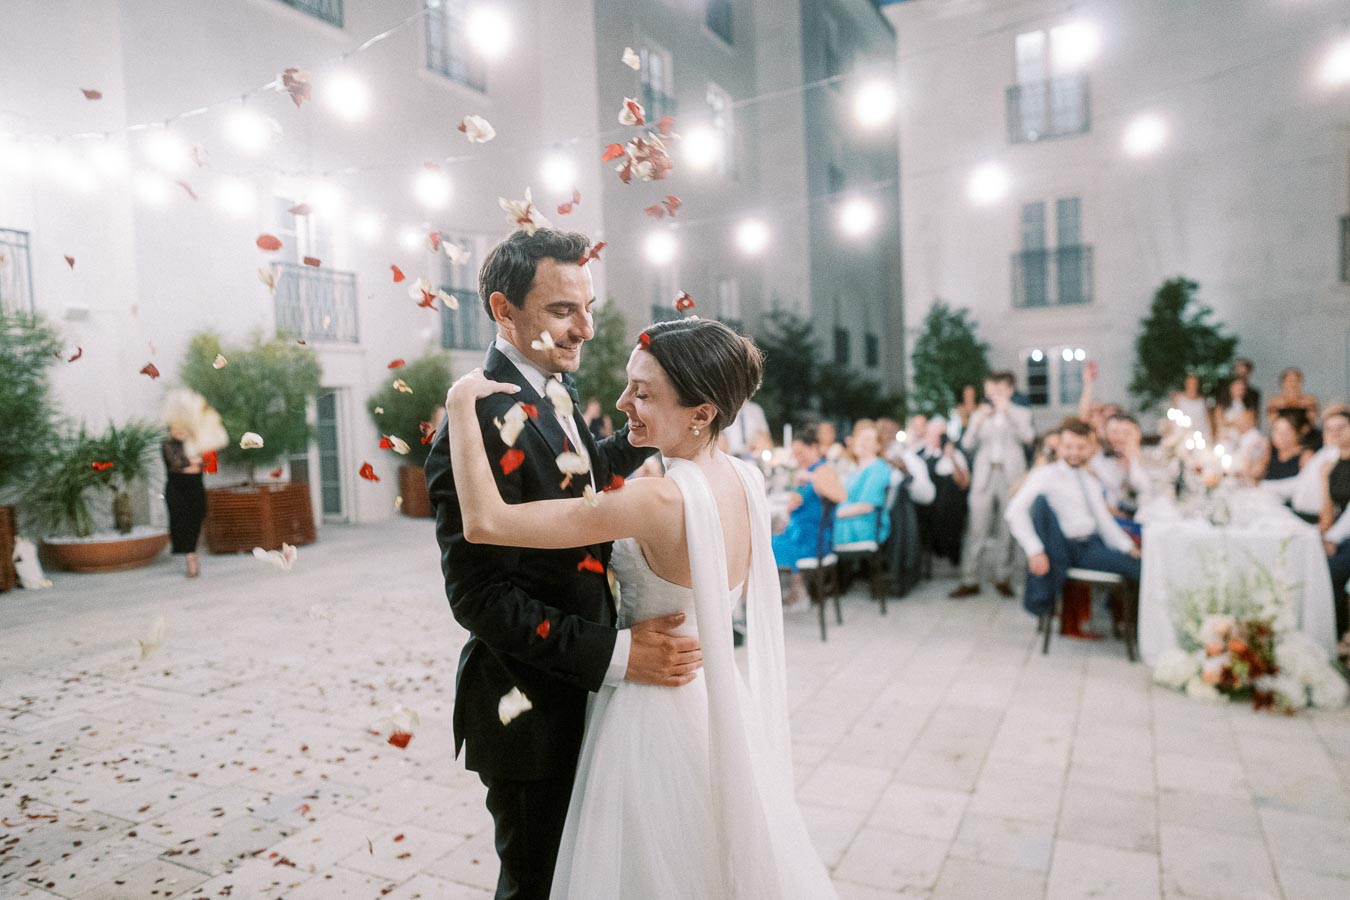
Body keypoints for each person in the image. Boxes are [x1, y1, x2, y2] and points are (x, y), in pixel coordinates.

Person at [444, 316, 836, 899]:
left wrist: (457, 409)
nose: (624, 402)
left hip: (646, 714)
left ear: (702, 413)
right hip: (709, 701)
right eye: (630, 385)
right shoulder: (746, 479)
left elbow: (486, 523)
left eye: (643, 394)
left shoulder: (657, 500)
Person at [425, 228, 691, 900]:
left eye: (587, 307)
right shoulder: (477, 420)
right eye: (561, 311)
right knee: (538, 886)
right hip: (529, 712)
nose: (585, 329)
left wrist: (639, 436)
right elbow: (478, 598)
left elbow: (574, 478)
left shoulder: (552, 391)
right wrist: (620, 654)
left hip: (585, 697)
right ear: (502, 309)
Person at [1005, 418, 1142, 619]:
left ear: (1089, 448)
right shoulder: (1045, 475)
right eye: (1068, 447)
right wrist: (1034, 549)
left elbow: (1104, 521)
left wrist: (1128, 547)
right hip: (1070, 549)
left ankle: (1134, 624)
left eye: (1080, 447)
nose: (1074, 453)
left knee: (1143, 562)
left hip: (1093, 543)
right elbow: (1014, 511)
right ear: (1059, 447)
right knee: (1141, 569)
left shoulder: (1088, 479)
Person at [951, 371, 1034, 598]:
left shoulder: (1021, 412)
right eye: (990, 391)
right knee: (977, 527)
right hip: (984, 475)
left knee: (1007, 528)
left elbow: (1028, 438)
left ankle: (1003, 577)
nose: (993, 395)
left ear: (1009, 390)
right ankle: (969, 578)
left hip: (1010, 477)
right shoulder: (980, 413)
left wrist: (1009, 414)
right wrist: (976, 422)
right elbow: (967, 444)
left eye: (998, 390)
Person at [772, 426, 846, 603]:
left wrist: (813, 478)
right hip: (798, 536)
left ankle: (746, 610)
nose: (797, 458)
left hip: (812, 542)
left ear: (814, 448)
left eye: (800, 452)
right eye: (795, 454)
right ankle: (793, 593)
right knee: (759, 542)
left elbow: (841, 495)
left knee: (754, 548)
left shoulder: (822, 471)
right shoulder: (808, 471)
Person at [159, 389, 225, 579]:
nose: (179, 430)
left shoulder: (197, 442)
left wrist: (196, 461)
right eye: (176, 427)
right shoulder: (167, 445)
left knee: (197, 518)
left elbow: (209, 464)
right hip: (177, 490)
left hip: (195, 488)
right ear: (170, 429)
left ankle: (192, 552)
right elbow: (177, 465)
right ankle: (191, 559)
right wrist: (194, 462)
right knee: (183, 523)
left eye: (183, 427)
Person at [915, 417, 970, 566]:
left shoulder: (955, 455)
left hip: (949, 510)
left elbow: (964, 483)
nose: (936, 438)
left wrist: (951, 457)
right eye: (933, 433)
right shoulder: (918, 454)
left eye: (940, 434)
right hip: (926, 509)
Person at [833, 421, 896, 549]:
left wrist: (833, 514)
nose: (861, 442)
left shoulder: (878, 468)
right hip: (844, 528)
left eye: (867, 439)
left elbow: (866, 506)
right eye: (859, 438)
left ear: (878, 446)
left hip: (858, 531)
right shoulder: (855, 469)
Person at [1318, 407, 1350, 652]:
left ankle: (1337, 635)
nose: (1336, 433)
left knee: (1329, 572)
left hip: (1346, 535)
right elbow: (1327, 509)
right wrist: (1320, 537)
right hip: (1339, 534)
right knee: (1315, 561)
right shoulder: (1329, 466)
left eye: (1342, 427)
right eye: (1330, 429)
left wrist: (1331, 537)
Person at [1090, 413, 1154, 521]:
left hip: (1149, 516)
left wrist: (1133, 458)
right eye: (1114, 432)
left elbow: (1150, 490)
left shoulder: (1151, 458)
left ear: (1137, 434)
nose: (1120, 437)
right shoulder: (1097, 463)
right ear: (1105, 434)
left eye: (1127, 432)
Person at [1267, 367, 1321, 450]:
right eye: (1289, 381)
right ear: (1283, 383)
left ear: (1300, 383)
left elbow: (1311, 422)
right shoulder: (1274, 402)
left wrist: (1296, 437)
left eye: (1296, 380)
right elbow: (1273, 422)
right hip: (1282, 436)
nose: (1292, 384)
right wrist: (1287, 436)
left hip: (1306, 437)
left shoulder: (1310, 400)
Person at [1262, 413, 1313, 482]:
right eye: (1277, 431)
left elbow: (1305, 485)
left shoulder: (1305, 455)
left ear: (1297, 434)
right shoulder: (1270, 451)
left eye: (1287, 432)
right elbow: (1253, 476)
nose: (1281, 436)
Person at [1171, 372, 1212, 444]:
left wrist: (1210, 435)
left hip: (1200, 434)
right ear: (1186, 383)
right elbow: (1173, 418)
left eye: (1195, 383)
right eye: (1190, 383)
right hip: (1183, 434)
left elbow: (1208, 419)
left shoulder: (1202, 400)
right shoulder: (1178, 398)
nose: (1192, 386)